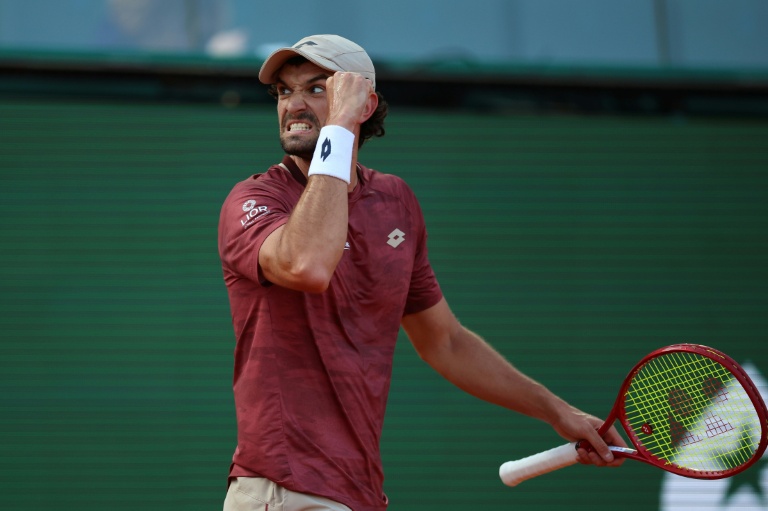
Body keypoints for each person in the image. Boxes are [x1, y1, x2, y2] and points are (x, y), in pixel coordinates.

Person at [218, 34, 625, 511]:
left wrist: (559, 413)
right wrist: (338, 125)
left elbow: (445, 342)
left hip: (357, 492)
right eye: (284, 92)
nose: (294, 105)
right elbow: (307, 264)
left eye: (316, 89)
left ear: (365, 104)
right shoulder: (255, 199)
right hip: (284, 490)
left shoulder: (395, 202)